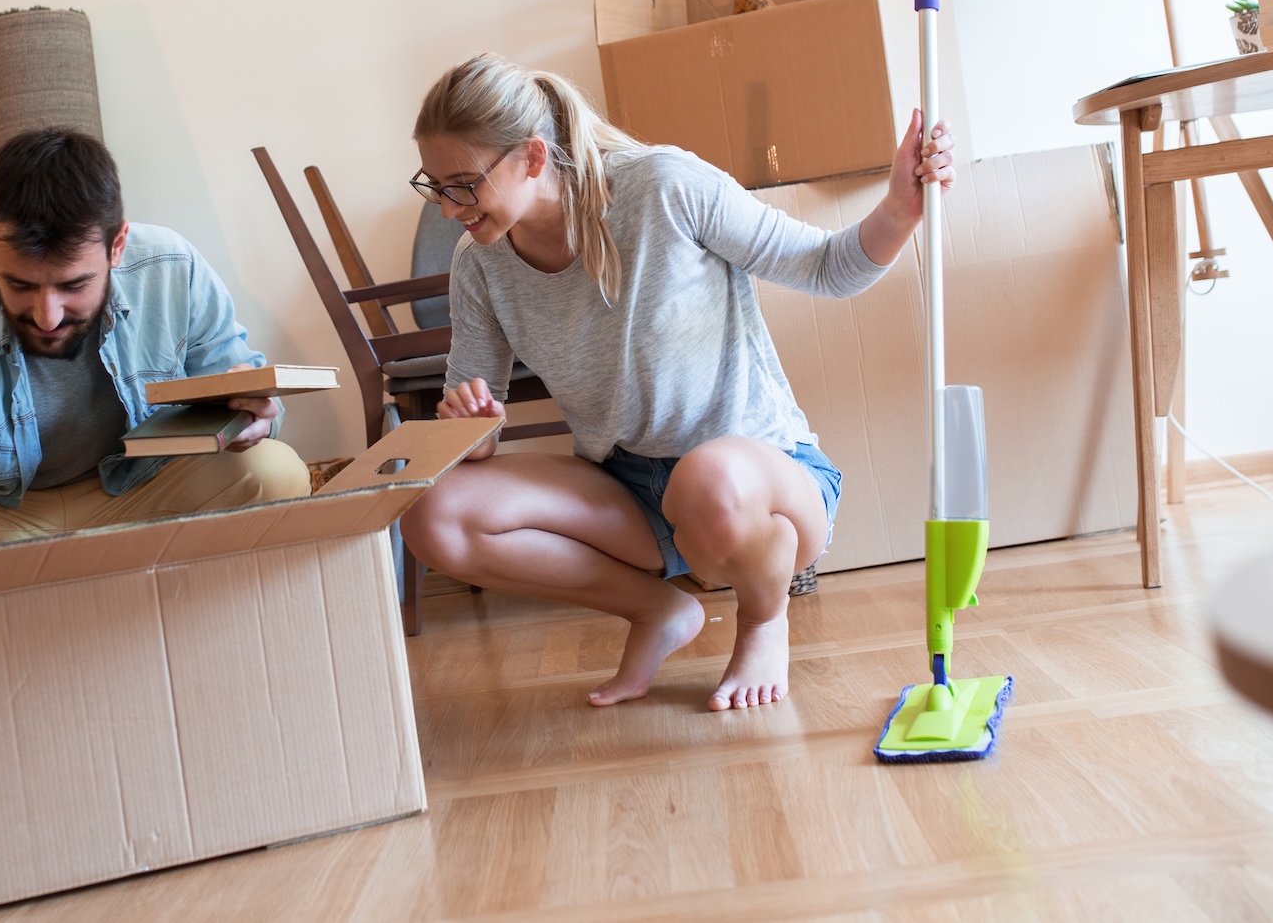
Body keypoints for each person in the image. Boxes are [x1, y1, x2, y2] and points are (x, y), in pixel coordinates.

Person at [401, 54, 954, 711]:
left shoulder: (663, 185)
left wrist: (899, 207)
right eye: (434, 185)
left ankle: (763, 617)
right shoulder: (480, 266)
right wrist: (471, 423)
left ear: (531, 157)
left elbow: (828, 267)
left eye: (462, 184)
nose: (445, 208)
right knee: (433, 513)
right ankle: (657, 610)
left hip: (758, 482)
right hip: (631, 489)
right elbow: (477, 441)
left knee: (709, 480)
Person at [0, 128, 309, 585]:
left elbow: (249, 392)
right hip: (0, 517)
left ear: (117, 246)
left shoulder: (172, 269)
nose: (47, 316)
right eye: (20, 284)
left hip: (144, 494)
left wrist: (255, 417)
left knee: (272, 472)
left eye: (74, 285)